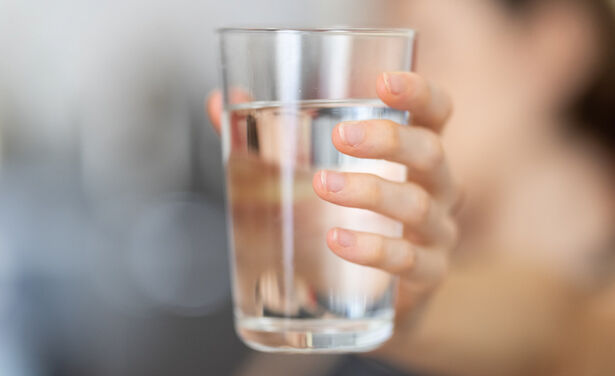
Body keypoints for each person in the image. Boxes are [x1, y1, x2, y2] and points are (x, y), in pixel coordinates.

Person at [207, 0, 615, 375]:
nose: (374, 84)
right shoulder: (371, 265)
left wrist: (417, 310)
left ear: (555, 44)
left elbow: (558, 326)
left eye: (424, 45)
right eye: (376, 51)